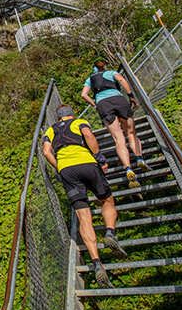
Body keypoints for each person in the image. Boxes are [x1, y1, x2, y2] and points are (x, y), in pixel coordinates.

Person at [42, 104, 127, 288]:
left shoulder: (50, 130)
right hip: (87, 164)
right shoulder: (79, 122)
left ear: (58, 118)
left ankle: (96, 262)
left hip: (66, 170)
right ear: (71, 115)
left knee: (83, 216)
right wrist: (98, 156)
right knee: (106, 199)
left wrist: (59, 167)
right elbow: (89, 136)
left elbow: (46, 152)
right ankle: (110, 232)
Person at [80, 59, 150, 190]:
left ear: (94, 69)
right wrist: (131, 96)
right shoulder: (111, 73)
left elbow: (83, 94)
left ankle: (128, 168)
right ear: (104, 66)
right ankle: (139, 158)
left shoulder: (90, 79)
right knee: (131, 133)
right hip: (118, 100)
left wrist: (95, 104)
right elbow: (122, 81)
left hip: (103, 104)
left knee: (118, 139)